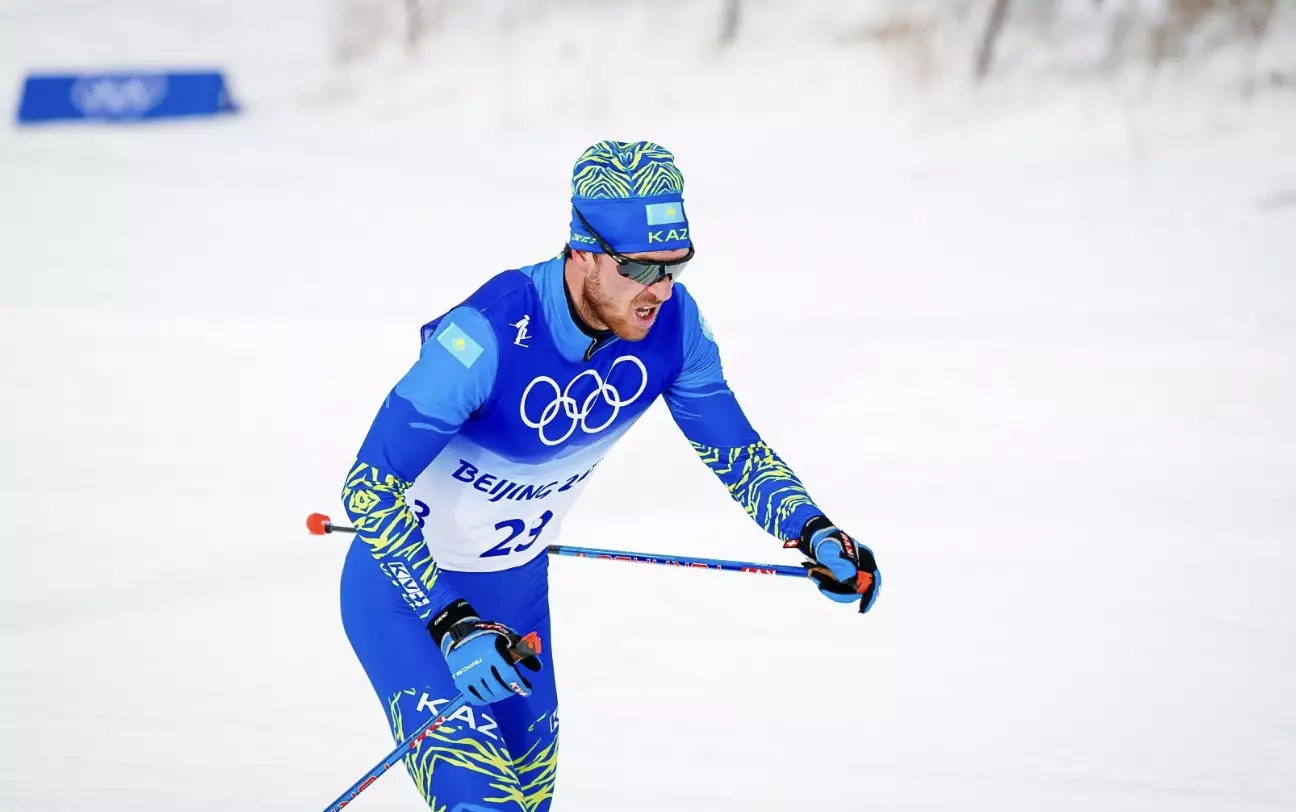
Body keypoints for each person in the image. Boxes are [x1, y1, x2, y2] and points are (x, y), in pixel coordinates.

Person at [338, 140, 880, 812]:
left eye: (674, 268)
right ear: (583, 253)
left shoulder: (675, 330)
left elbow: (735, 451)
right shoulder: (485, 336)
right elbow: (368, 486)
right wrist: (450, 623)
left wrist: (814, 531)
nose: (659, 290)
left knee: (530, 805)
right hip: (412, 599)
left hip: (514, 597)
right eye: (636, 268)